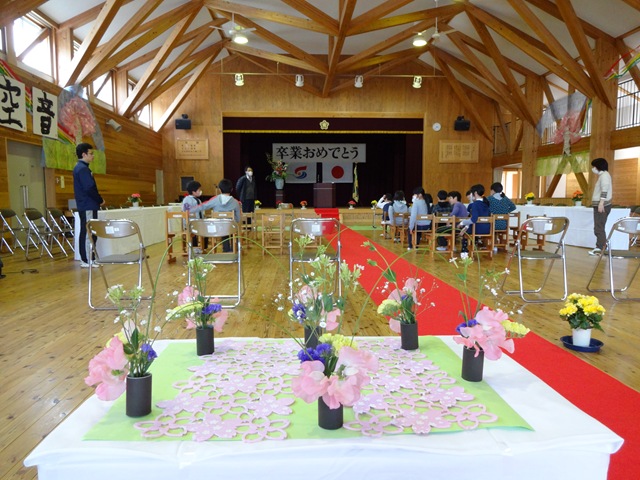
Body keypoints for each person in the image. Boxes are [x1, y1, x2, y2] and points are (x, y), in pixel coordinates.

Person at [187, 179, 242, 252]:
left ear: (220, 190)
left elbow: (203, 206)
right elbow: (238, 218)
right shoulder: (235, 202)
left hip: (217, 228)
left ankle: (226, 249)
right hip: (230, 227)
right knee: (232, 227)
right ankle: (234, 249)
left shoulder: (215, 199)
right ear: (232, 189)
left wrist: (189, 210)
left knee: (223, 227)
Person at [73, 143, 104, 268]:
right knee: (88, 232)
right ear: (84, 154)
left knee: (91, 231)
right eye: (91, 153)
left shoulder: (83, 168)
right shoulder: (82, 169)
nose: (93, 156)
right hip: (87, 205)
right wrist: (99, 199)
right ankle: (86, 259)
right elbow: (89, 188)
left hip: (90, 205)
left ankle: (91, 258)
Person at [589, 157, 613, 256]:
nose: (593, 168)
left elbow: (605, 189)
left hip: (602, 205)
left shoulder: (604, 175)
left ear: (598, 166)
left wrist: (601, 203)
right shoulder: (603, 175)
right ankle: (600, 247)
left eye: (594, 166)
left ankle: (600, 248)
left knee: (599, 227)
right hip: (600, 205)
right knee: (598, 227)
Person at [459, 184, 491, 253]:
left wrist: (462, 223)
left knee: (464, 230)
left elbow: (473, 219)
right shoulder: (486, 203)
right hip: (487, 229)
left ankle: (465, 251)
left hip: (477, 229)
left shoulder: (475, 205)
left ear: (475, 193)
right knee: (467, 227)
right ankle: (474, 246)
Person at [182, 180, 207, 251]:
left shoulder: (198, 200)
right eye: (199, 190)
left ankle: (203, 247)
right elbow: (186, 212)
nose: (200, 191)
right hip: (191, 223)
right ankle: (194, 248)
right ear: (193, 191)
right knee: (193, 233)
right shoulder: (187, 200)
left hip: (199, 222)